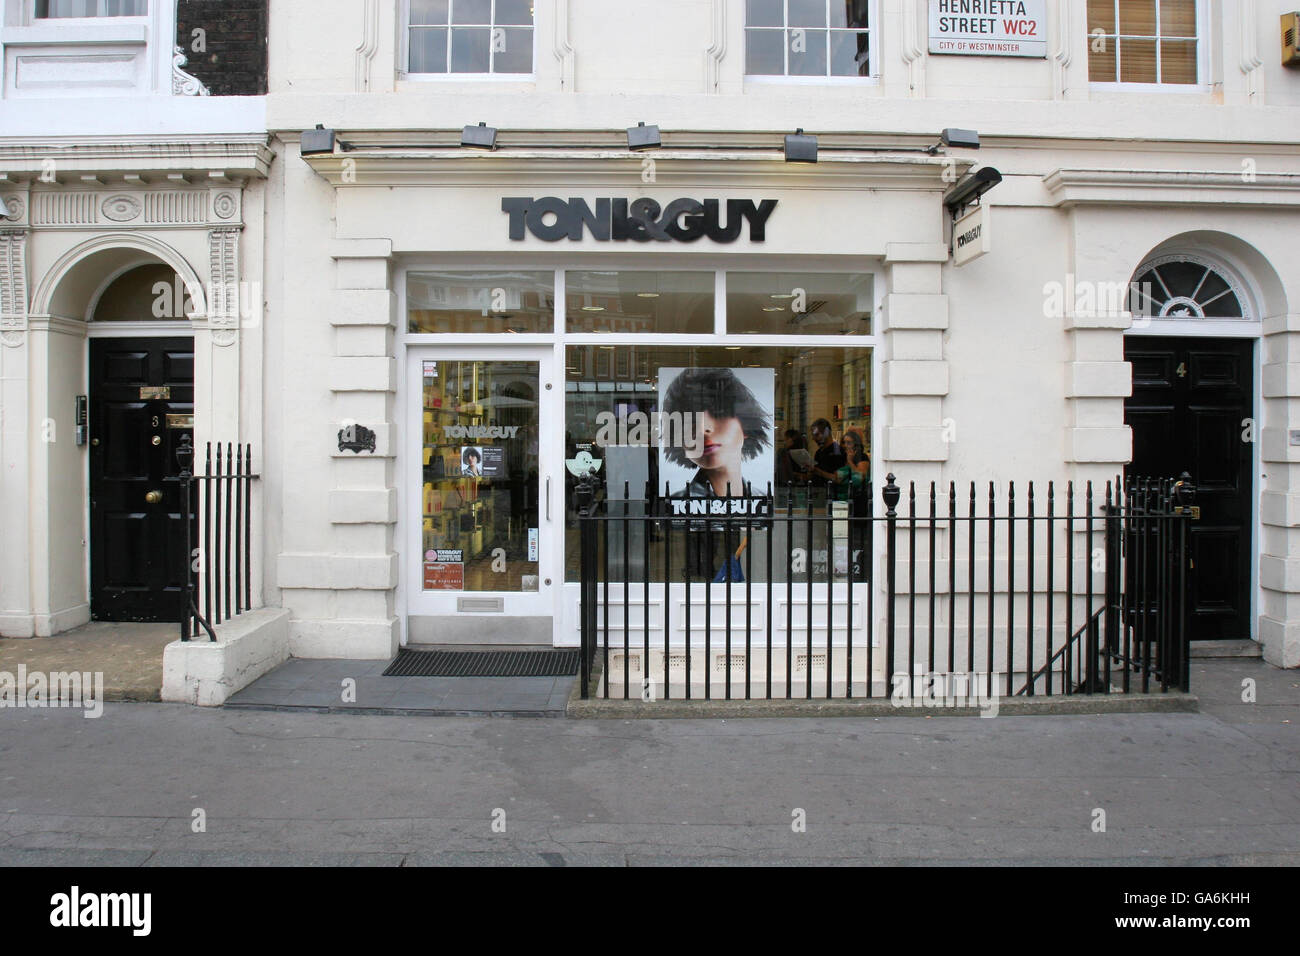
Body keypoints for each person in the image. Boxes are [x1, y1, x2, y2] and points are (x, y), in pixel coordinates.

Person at [661, 368, 771, 499]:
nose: (703, 429)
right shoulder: (678, 504)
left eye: (718, 413)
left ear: (745, 425)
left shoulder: (762, 498)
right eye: (689, 419)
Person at [805, 417, 846, 486]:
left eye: (817, 435)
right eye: (813, 435)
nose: (814, 439)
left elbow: (839, 478)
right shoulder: (819, 452)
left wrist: (818, 472)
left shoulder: (837, 451)